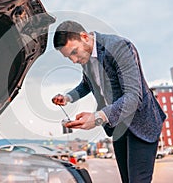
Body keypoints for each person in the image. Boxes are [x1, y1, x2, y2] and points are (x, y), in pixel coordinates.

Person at [51, 20, 166, 183]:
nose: (74, 60)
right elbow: (86, 84)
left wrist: (97, 117)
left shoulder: (119, 47)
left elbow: (133, 97)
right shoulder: (86, 58)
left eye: (74, 52)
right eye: (69, 57)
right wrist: (67, 98)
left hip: (141, 123)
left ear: (84, 37)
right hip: (118, 126)